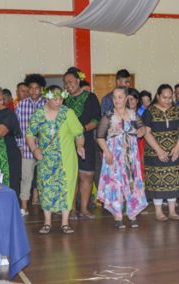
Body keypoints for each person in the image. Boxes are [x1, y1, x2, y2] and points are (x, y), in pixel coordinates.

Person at [26, 86, 85, 234]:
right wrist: (34, 149)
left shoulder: (67, 113)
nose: (59, 102)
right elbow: (30, 134)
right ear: (47, 98)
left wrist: (80, 146)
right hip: (45, 159)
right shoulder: (38, 114)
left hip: (66, 159)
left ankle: (65, 223)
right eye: (55, 99)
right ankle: (47, 223)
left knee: (66, 188)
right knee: (46, 188)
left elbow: (79, 133)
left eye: (61, 99)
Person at [97, 87, 147, 229]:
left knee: (132, 181)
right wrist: (107, 153)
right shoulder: (108, 115)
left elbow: (143, 128)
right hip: (114, 153)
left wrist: (141, 131)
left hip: (131, 154)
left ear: (126, 99)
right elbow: (100, 137)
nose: (117, 100)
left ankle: (132, 213)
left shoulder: (133, 114)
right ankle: (117, 215)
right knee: (115, 183)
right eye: (114, 97)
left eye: (120, 97)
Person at [142, 84, 179, 221]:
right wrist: (159, 150)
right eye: (164, 97)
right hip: (155, 153)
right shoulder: (149, 111)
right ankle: (158, 212)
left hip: (175, 152)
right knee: (158, 182)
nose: (167, 100)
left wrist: (177, 147)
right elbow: (146, 132)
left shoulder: (177, 110)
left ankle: (172, 211)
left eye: (170, 97)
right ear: (158, 96)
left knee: (173, 181)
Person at [64, 67, 101, 219]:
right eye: (65, 83)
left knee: (86, 175)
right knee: (71, 177)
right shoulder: (63, 99)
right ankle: (71, 209)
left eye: (71, 81)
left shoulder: (90, 97)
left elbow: (96, 120)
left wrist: (80, 129)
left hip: (86, 141)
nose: (68, 85)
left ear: (78, 80)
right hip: (67, 143)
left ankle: (84, 209)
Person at [16, 74, 47, 216]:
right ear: (28, 89)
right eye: (31, 88)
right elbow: (17, 129)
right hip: (26, 150)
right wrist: (20, 146)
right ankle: (24, 207)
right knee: (26, 178)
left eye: (37, 89)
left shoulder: (47, 104)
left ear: (41, 89)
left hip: (44, 150)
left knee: (45, 178)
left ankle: (48, 207)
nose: (34, 91)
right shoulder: (21, 105)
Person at [0, 84, 21, 194]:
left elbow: (0, 132)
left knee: (8, 190)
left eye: (0, 100)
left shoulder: (8, 114)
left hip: (8, 159)